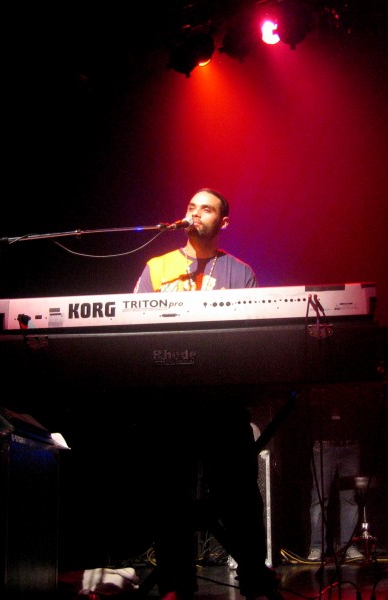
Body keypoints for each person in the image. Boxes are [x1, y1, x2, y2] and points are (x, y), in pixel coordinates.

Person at [132, 188, 279, 600]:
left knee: (240, 496)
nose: (196, 213)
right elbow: (132, 335)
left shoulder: (240, 272)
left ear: (223, 222)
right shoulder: (157, 267)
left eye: (207, 209)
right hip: (168, 404)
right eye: (191, 207)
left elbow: (251, 342)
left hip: (222, 405)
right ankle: (177, 583)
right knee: (167, 495)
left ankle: (254, 579)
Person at [306, 386, 364, 562]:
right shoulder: (321, 390)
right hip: (324, 445)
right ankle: (317, 547)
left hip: (350, 444)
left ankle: (349, 546)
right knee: (319, 499)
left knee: (350, 498)